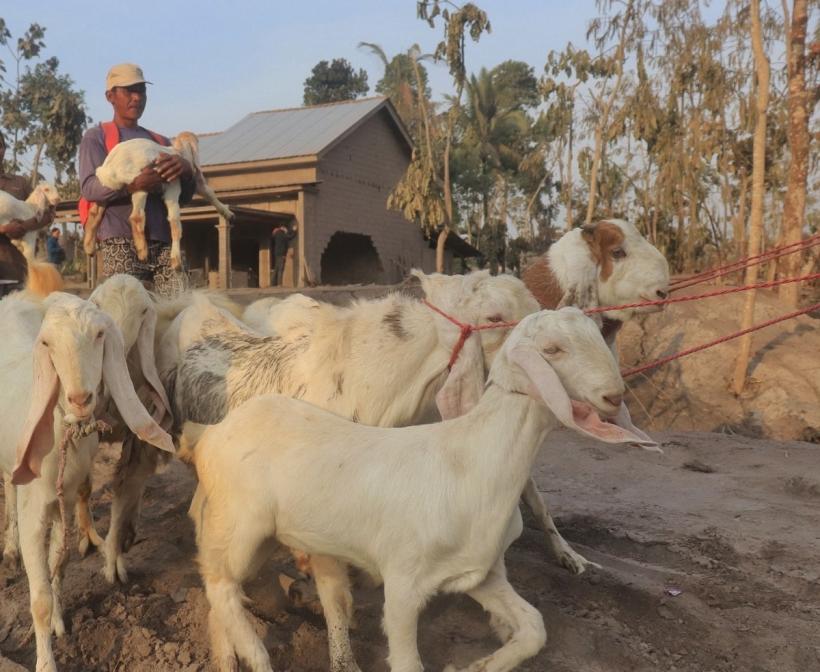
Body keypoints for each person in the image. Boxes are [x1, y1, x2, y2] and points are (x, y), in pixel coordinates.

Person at [78, 63, 195, 297]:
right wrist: (132, 186)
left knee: (177, 314)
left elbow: (184, 197)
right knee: (127, 317)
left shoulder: (160, 141)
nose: (136, 97)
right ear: (110, 96)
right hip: (120, 241)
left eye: (141, 90)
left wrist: (185, 170)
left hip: (164, 242)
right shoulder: (97, 137)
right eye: (128, 90)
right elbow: (90, 187)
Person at [0, 131, 55, 286]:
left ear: (4, 149)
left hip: (19, 268)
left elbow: (47, 215)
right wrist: (4, 229)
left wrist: (23, 226)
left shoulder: (20, 183)